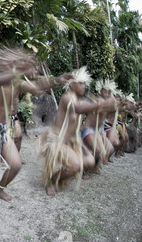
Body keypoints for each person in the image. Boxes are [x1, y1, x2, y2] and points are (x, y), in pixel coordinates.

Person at [0, 47, 72, 208]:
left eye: (14, 63)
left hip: (3, 129)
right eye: (10, 63)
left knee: (16, 164)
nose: (12, 66)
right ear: (1, 65)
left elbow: (36, 87)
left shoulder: (17, 83)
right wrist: (20, 68)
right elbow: (2, 79)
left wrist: (58, 80)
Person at [38, 67, 116, 196]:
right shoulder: (67, 98)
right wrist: (100, 104)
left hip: (71, 142)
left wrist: (113, 105)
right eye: (80, 83)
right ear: (72, 84)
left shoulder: (81, 100)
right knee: (75, 164)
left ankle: (65, 174)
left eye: (85, 83)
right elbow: (79, 108)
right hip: (58, 140)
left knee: (90, 161)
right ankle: (51, 181)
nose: (84, 86)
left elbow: (88, 107)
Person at [80, 79, 118, 175]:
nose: (107, 93)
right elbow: (102, 108)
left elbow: (115, 107)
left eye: (109, 92)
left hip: (98, 130)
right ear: (100, 91)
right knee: (97, 149)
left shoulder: (108, 103)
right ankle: (86, 171)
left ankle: (95, 166)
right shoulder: (97, 101)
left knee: (110, 149)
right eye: (105, 91)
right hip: (87, 129)